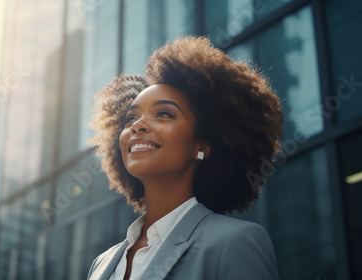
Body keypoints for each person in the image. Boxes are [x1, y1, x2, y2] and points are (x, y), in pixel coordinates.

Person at [87, 36, 283, 280]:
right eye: (131, 118)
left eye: (164, 114)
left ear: (202, 146)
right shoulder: (101, 264)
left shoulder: (233, 243)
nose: (138, 125)